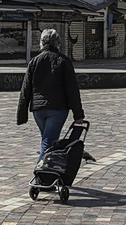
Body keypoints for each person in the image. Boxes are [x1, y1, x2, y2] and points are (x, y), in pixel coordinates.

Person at [17, 28, 85, 159]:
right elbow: (72, 89)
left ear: (42, 42)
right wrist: (78, 114)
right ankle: (40, 172)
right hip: (57, 109)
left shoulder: (34, 61)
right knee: (48, 142)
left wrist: (22, 114)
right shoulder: (64, 61)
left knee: (48, 140)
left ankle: (49, 173)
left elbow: (26, 89)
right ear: (58, 43)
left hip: (38, 110)